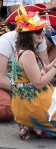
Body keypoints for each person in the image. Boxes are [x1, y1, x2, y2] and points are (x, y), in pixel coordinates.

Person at [10, 6, 56, 138]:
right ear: (27, 35)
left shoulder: (24, 51)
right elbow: (39, 83)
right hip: (33, 103)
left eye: (41, 30)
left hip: (26, 102)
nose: (42, 33)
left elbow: (44, 70)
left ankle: (29, 124)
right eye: (37, 31)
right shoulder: (28, 54)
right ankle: (33, 123)